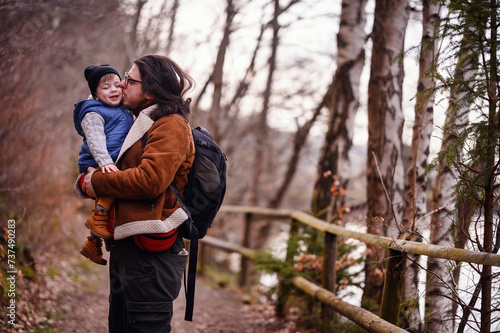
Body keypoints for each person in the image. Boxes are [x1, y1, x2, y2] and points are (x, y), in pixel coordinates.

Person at [77, 54, 195, 332]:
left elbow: (149, 181)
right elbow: (114, 170)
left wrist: (97, 183)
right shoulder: (139, 122)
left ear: (151, 89)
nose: (122, 84)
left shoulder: (171, 125)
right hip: (128, 248)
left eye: (130, 79)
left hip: (152, 254)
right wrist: (87, 180)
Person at [74, 64, 134, 265]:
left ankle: (92, 241)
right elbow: (95, 140)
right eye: (106, 88)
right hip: (97, 160)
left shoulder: (123, 110)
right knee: (113, 181)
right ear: (96, 95)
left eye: (117, 85)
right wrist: (104, 161)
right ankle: (97, 217)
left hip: (112, 160)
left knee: (120, 182)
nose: (114, 90)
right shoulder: (93, 113)